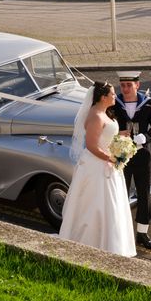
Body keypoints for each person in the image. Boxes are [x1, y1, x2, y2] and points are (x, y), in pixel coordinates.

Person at [59, 81, 136, 257]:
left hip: (106, 165)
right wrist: (112, 157)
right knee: (96, 205)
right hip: (97, 167)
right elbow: (92, 146)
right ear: (103, 97)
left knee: (111, 205)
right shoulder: (95, 116)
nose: (115, 96)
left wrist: (120, 138)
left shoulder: (102, 113)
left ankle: (111, 243)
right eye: (113, 94)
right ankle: (93, 242)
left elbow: (104, 137)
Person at [112, 71, 151, 251]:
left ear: (137, 85)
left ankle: (142, 233)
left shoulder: (148, 103)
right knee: (120, 194)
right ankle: (120, 230)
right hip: (121, 156)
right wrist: (117, 134)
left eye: (129, 85)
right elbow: (106, 125)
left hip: (142, 156)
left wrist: (146, 137)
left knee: (144, 195)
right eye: (122, 85)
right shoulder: (114, 102)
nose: (125, 89)